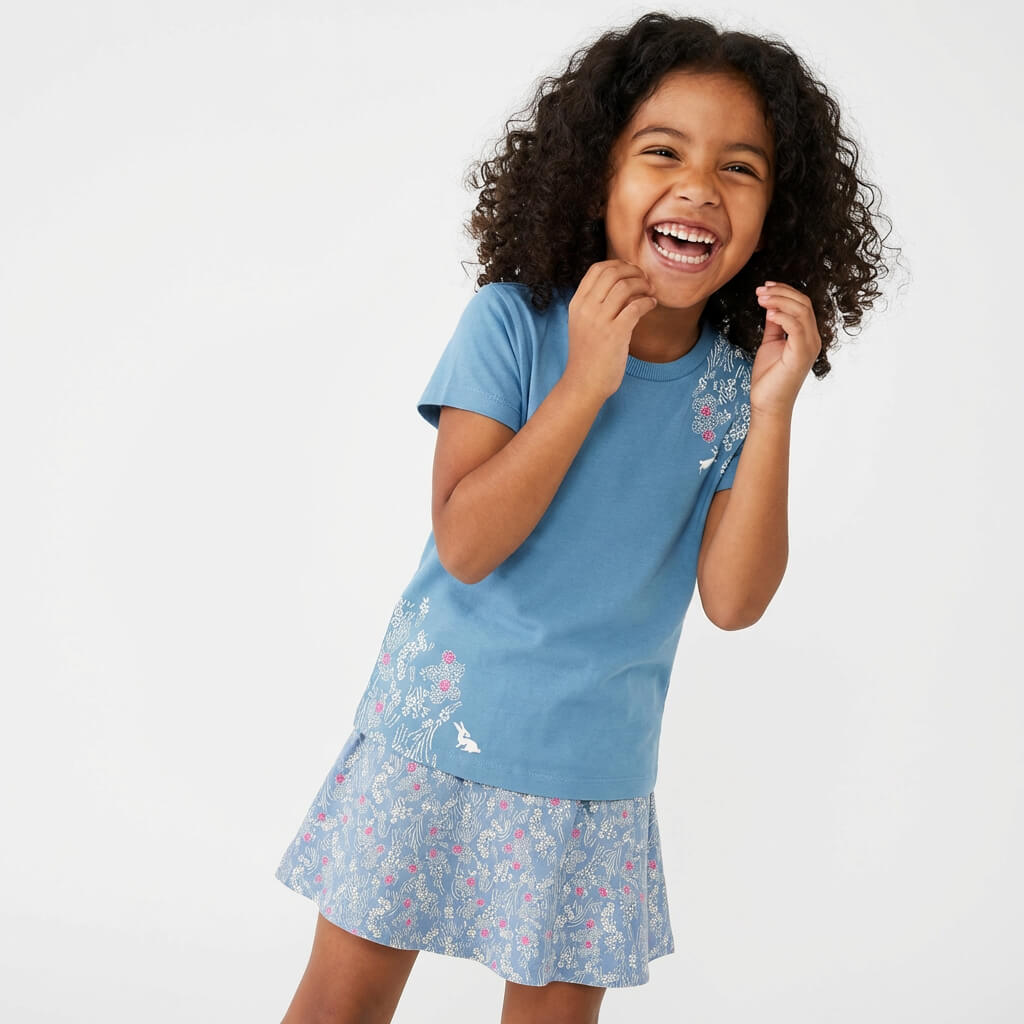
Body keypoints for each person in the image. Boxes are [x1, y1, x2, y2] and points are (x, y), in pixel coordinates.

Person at [274, 11, 900, 1023]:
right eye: (663, 152)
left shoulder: (736, 389)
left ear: (774, 214)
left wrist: (775, 408)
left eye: (739, 168)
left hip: (591, 774)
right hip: (434, 737)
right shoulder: (510, 324)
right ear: (596, 177)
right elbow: (467, 544)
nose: (698, 185)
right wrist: (582, 385)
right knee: (341, 1006)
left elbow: (735, 601)